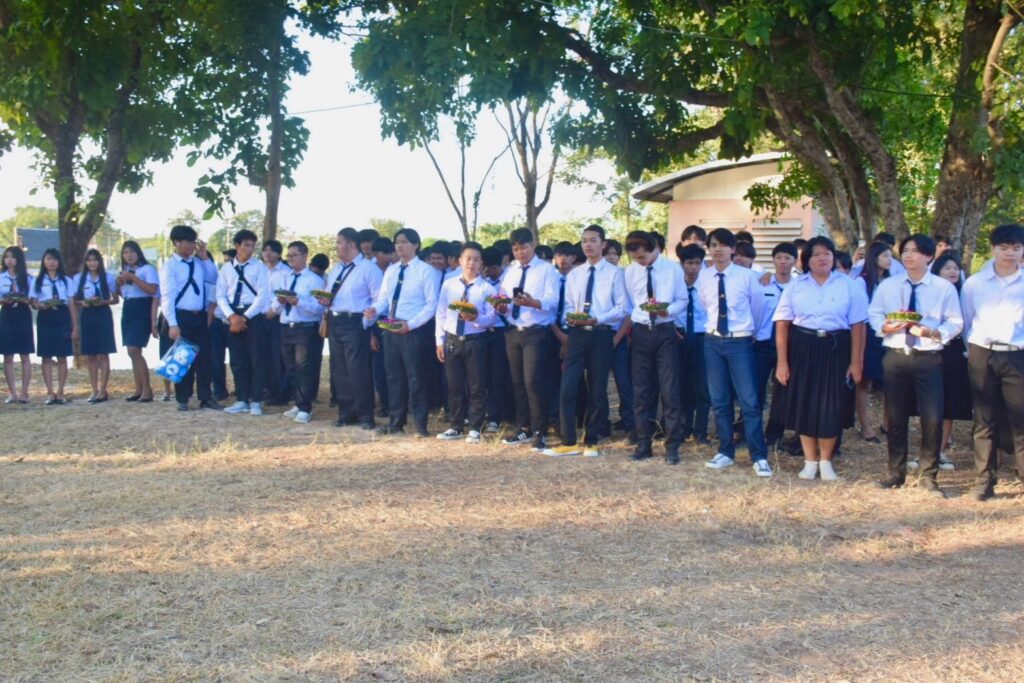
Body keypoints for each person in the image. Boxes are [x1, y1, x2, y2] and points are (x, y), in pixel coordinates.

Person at [869, 234, 963, 497]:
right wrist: (885, 326)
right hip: (896, 354)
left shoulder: (942, 288)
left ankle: (928, 475)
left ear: (929, 256)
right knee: (896, 416)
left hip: (929, 356)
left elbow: (956, 322)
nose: (909, 255)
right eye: (905, 251)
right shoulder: (889, 285)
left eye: (916, 251)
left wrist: (933, 332)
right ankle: (895, 472)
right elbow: (874, 313)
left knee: (932, 417)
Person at [774, 237, 868, 481]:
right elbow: (782, 323)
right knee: (805, 403)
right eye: (816, 254)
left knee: (831, 404)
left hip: (836, 348)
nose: (822, 258)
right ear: (807, 260)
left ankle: (826, 461)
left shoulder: (848, 285)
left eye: (827, 253)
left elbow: (858, 325)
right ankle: (809, 461)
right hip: (802, 348)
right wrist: (782, 362)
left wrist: (856, 361)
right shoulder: (796, 286)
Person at [544, 225, 628, 457]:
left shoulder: (615, 274)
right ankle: (568, 440)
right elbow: (568, 305)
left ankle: (591, 440)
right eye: (584, 241)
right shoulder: (575, 274)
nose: (588, 245)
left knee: (597, 389)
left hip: (601, 333)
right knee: (568, 386)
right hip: (577, 334)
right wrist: (570, 317)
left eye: (593, 240)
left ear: (603, 244)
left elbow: (623, 308)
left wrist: (598, 318)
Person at [699, 228, 772, 477]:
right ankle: (725, 451)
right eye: (713, 245)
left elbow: (758, 309)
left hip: (740, 342)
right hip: (712, 342)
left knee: (749, 401)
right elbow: (706, 306)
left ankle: (759, 456)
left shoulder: (746, 276)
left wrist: (750, 333)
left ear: (732, 249)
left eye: (723, 245)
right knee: (719, 400)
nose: (717, 249)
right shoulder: (705, 276)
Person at [960, 223, 1024, 501]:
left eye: (1016, 248)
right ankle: (984, 480)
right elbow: (966, 321)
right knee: (984, 419)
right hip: (982, 353)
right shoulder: (975, 283)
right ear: (993, 249)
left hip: (1017, 355)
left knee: (1020, 418)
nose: (1010, 253)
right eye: (1004, 247)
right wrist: (975, 352)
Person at [365, 228, 438, 437]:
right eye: (397, 241)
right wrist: (374, 309)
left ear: (415, 245)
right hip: (391, 327)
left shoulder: (425, 271)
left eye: (405, 242)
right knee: (394, 377)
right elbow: (384, 298)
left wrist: (411, 325)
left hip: (413, 330)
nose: (400, 245)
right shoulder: (392, 270)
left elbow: (431, 305)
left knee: (416, 378)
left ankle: (421, 425)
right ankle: (396, 422)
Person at [624, 230, 686, 464]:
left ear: (653, 249)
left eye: (643, 257)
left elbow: (683, 300)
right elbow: (631, 303)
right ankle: (643, 443)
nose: (640, 262)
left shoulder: (672, 269)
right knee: (641, 390)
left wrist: (667, 310)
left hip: (665, 331)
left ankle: (672, 446)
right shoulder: (630, 272)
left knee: (669, 390)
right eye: (635, 258)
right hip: (641, 332)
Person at [495, 228, 560, 450]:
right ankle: (523, 427)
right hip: (513, 330)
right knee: (517, 382)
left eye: (523, 247)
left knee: (533, 381)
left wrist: (534, 303)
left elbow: (552, 301)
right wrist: (501, 306)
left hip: (536, 331)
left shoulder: (547, 270)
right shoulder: (511, 270)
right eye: (515, 249)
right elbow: (504, 297)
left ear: (533, 245)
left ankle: (540, 431)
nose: (520, 252)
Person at [318, 227, 382, 431]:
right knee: (339, 370)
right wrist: (324, 299)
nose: (337, 246)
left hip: (355, 321)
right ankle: (346, 413)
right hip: (335, 320)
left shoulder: (368, 269)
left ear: (351, 244)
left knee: (358, 370)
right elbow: (330, 293)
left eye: (339, 242)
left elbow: (379, 299)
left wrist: (366, 323)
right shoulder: (336, 269)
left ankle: (365, 415)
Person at [435, 242, 497, 442]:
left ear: (481, 263)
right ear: (460, 260)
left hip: (475, 340)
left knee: (477, 385)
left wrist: (476, 318)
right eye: (468, 258)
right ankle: (456, 425)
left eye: (476, 259)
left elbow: (491, 319)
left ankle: (476, 427)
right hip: (452, 339)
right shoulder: (449, 284)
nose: (471, 263)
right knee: (454, 385)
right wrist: (439, 341)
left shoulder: (487, 289)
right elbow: (441, 313)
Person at [160, 224, 221, 411]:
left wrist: (205, 257)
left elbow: (213, 278)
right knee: (182, 358)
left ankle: (205, 397)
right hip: (181, 315)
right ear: (176, 243)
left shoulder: (199, 263)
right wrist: (172, 323)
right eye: (185, 242)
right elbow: (167, 297)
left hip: (200, 316)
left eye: (192, 242)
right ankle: (183, 397)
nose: (189, 246)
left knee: (204, 358)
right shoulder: (169, 266)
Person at [216, 229, 271, 416]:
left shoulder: (259, 268)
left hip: (253, 315)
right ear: (237, 245)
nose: (250, 249)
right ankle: (242, 398)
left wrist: (245, 317)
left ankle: (256, 400)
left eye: (252, 246)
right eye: (246, 245)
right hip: (233, 314)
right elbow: (220, 295)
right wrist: (232, 316)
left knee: (257, 358)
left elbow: (262, 296)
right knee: (237, 359)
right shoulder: (226, 268)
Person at [269, 241, 324, 424]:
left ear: (305, 256)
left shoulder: (314, 280)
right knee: (291, 368)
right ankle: (298, 402)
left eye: (295, 255)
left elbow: (318, 308)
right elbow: (277, 304)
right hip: (286, 326)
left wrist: (298, 301)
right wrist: (279, 302)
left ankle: (305, 407)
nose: (291, 259)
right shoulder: (285, 277)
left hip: (305, 328)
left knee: (304, 368)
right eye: (289, 255)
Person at [927, 252, 970, 471]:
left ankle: (940, 451)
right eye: (947, 268)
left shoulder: (965, 293)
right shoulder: (930, 293)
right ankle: (927, 451)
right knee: (931, 403)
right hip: (932, 350)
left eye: (956, 268)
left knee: (949, 403)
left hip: (956, 352)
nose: (953, 271)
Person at [755, 243, 797, 449]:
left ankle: (774, 433)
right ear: (773, 260)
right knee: (755, 389)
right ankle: (749, 432)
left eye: (788, 258)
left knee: (782, 391)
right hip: (762, 344)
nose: (783, 262)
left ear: (794, 262)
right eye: (779, 257)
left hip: (788, 346)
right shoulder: (762, 283)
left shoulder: (799, 286)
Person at [855, 241, 893, 443]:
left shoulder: (891, 281)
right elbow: (861, 313)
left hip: (889, 335)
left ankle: (887, 423)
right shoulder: (862, 282)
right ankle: (865, 426)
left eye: (890, 256)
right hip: (868, 334)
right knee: (864, 382)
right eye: (885, 255)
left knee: (889, 382)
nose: (889, 260)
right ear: (874, 258)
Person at [73, 248, 119, 403]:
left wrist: (104, 301)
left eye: (95, 260)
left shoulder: (108, 277)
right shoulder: (79, 278)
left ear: (100, 261)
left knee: (103, 353)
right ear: (85, 262)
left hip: (103, 314)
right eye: (89, 260)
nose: (92, 263)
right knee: (90, 354)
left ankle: (103, 390)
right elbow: (74, 300)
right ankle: (94, 389)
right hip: (87, 314)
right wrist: (83, 302)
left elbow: (115, 299)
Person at [31, 248, 76, 405]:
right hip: (46, 317)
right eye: (49, 259)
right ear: (44, 261)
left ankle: (61, 391)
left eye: (55, 259)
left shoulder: (66, 281)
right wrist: (38, 305)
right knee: (46, 356)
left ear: (59, 262)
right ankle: (50, 392)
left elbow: (71, 303)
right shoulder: (37, 280)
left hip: (62, 316)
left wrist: (75, 326)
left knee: (62, 355)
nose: (52, 262)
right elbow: (33, 301)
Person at [675, 244, 710, 445]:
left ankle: (701, 431)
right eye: (689, 263)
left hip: (702, 337)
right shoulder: (675, 285)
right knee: (682, 385)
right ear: (682, 264)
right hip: (680, 336)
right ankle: (683, 427)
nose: (694, 267)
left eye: (698, 263)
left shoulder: (707, 285)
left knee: (703, 387)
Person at [117, 241, 159, 402]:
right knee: (131, 352)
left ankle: (147, 389)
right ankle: (138, 388)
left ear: (138, 253)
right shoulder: (125, 270)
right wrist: (118, 283)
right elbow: (123, 294)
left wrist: (133, 278)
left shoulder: (147, 269)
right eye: (125, 252)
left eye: (131, 252)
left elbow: (153, 290)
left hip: (142, 308)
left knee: (135, 349)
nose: (128, 255)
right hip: (128, 307)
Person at [547, 241, 577, 429]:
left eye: (567, 255)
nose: (563, 259)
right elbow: (547, 308)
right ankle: (553, 417)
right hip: (552, 330)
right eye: (559, 255)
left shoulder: (579, 278)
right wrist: (558, 334)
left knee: (572, 378)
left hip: (573, 330)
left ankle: (575, 417)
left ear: (574, 258)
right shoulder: (551, 278)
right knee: (551, 376)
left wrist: (568, 338)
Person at [482, 245, 512, 430]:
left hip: (502, 332)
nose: (488, 271)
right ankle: (485, 412)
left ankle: (497, 416)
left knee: (499, 375)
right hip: (484, 331)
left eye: (490, 268)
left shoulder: (508, 280)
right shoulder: (482, 282)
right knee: (483, 375)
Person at [0, 246, 34, 403]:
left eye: (13, 257)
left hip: (23, 314)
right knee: (8, 355)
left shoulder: (28, 278)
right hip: (7, 314)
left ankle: (24, 392)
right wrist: (4, 300)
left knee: (24, 354)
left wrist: (24, 299)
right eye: (6, 257)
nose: (9, 260)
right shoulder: (1, 277)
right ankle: (12, 393)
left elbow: (33, 300)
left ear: (18, 259)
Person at [261, 239, 291, 404]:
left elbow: (284, 294)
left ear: (279, 254)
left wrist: (273, 310)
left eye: (271, 250)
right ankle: (267, 389)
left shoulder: (285, 272)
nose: (268, 253)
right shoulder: (261, 270)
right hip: (261, 317)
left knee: (277, 357)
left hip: (277, 318)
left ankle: (279, 393)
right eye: (265, 250)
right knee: (264, 355)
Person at [369, 236, 395, 416]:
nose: (389, 257)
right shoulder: (369, 271)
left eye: (390, 253)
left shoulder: (395, 270)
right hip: (377, 324)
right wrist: (371, 333)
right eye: (384, 253)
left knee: (394, 367)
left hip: (394, 322)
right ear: (375, 254)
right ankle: (385, 404)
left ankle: (397, 404)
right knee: (379, 367)